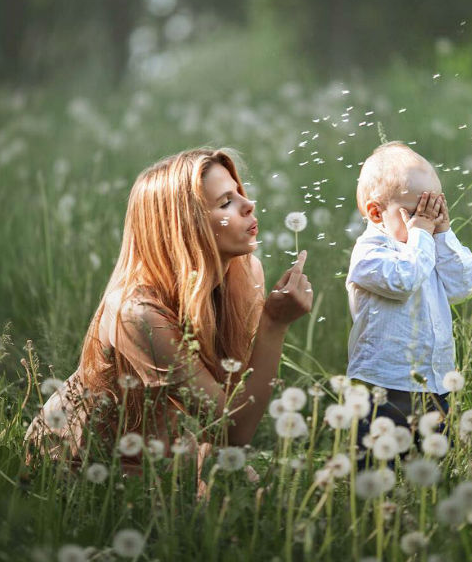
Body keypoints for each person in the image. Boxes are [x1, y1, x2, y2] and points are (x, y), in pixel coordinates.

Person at [25, 148, 313, 475]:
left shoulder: (245, 276)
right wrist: (273, 324)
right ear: (183, 226)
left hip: (162, 451)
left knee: (243, 481)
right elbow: (230, 430)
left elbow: (230, 403)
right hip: (81, 463)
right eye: (225, 203)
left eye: (239, 193)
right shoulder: (136, 312)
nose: (249, 206)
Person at [346, 141, 472, 464]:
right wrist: (422, 234)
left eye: (436, 207)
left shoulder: (426, 243)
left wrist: (442, 233)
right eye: (419, 211)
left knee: (434, 469)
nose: (428, 218)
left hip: (434, 383)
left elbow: (462, 286)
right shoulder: (370, 253)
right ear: (376, 212)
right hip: (384, 386)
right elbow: (404, 280)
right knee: (375, 469)